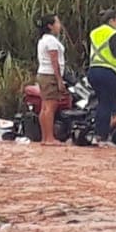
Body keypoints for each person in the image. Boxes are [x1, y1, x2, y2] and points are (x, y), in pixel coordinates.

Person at [87, 9, 116, 144]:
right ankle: (101, 137)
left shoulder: (94, 32)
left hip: (93, 70)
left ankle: (97, 135)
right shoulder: (113, 33)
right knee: (107, 105)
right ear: (112, 21)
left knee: (101, 104)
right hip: (109, 72)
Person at [35, 13, 67, 145]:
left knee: (44, 106)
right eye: (57, 23)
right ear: (50, 26)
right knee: (50, 106)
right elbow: (55, 61)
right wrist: (59, 80)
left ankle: (45, 137)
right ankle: (49, 138)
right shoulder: (51, 41)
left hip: (43, 73)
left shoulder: (43, 40)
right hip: (50, 75)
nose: (59, 26)